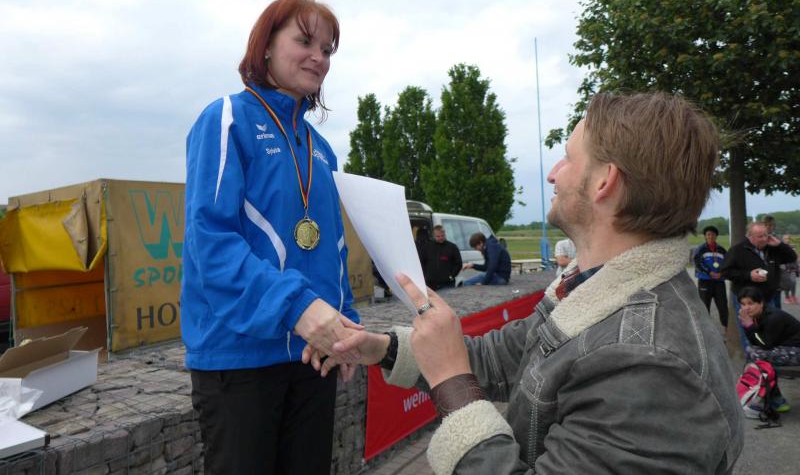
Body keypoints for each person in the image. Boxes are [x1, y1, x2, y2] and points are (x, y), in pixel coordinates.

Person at [312, 92, 743, 473]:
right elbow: (500, 358)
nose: (553, 174)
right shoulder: (588, 293)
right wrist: (380, 348)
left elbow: (465, 371)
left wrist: (451, 382)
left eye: (568, 158)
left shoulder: (651, 366)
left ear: (605, 181)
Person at [181, 0, 362, 475]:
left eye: (327, 49)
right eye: (305, 42)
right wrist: (297, 306)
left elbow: (332, 249)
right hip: (239, 356)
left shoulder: (321, 149)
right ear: (265, 47)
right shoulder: (226, 118)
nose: (319, 57)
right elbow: (210, 240)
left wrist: (346, 324)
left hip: (312, 355)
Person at [721, 221, 797, 310]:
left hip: (768, 297)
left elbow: (792, 257)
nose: (764, 239)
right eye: (760, 236)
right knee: (749, 320)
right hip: (746, 300)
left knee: (771, 319)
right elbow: (725, 272)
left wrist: (780, 244)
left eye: (766, 235)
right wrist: (749, 275)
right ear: (749, 236)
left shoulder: (773, 248)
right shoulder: (738, 250)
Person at [738, 286, 800, 368]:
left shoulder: (772, 318)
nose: (746, 308)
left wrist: (749, 325)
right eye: (743, 304)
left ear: (761, 303)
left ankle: (761, 374)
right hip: (783, 346)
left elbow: (765, 344)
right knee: (749, 349)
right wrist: (747, 326)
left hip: (796, 349)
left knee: (756, 354)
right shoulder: (756, 315)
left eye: (750, 303)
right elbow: (755, 342)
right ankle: (752, 375)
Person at [693, 225, 728, 327]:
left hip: (719, 281)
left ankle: (726, 328)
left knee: (723, 306)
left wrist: (722, 273)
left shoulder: (721, 249)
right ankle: (706, 329)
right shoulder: (700, 249)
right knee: (704, 306)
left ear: (716, 236)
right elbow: (698, 264)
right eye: (708, 234)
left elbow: (727, 264)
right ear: (705, 236)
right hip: (705, 281)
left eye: (713, 234)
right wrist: (709, 272)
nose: (710, 236)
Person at [421, 225, 462, 291]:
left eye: (442, 236)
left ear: (445, 234)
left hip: (447, 283)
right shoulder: (427, 247)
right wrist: (425, 275)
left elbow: (458, 264)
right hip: (430, 283)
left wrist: (451, 276)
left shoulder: (452, 247)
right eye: (438, 236)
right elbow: (422, 262)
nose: (440, 238)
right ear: (433, 236)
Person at [780, 234, 798, 304]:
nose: (787, 240)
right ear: (782, 239)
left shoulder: (792, 247)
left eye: (788, 239)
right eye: (785, 239)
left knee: (793, 282)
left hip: (792, 267)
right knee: (786, 283)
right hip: (784, 268)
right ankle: (787, 298)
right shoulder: (780, 248)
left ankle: (793, 296)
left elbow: (796, 257)